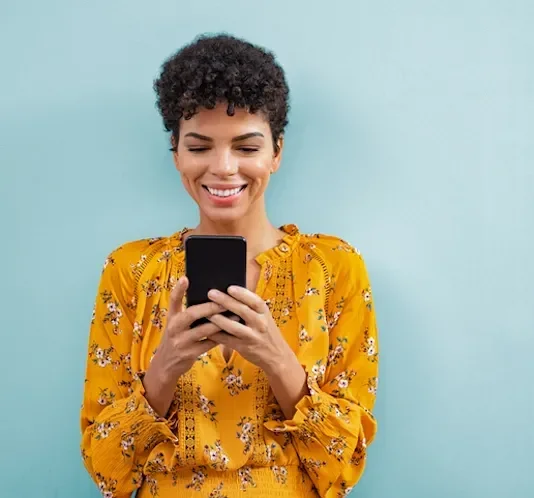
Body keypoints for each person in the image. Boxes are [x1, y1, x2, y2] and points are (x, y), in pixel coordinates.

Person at [79, 33, 379, 498]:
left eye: (246, 147)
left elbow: (341, 469)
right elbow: (106, 472)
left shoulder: (334, 268)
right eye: (199, 147)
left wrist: (280, 362)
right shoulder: (131, 270)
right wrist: (163, 370)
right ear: (176, 153)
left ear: (276, 152)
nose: (223, 167)